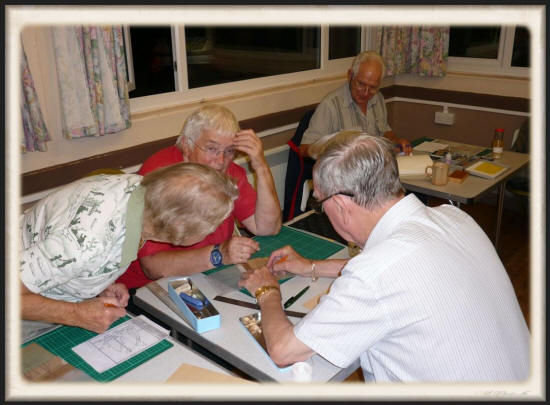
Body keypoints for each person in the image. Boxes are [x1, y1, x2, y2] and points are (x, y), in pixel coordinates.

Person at [239, 133, 530, 382]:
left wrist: (268, 291)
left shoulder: (374, 274)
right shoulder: (454, 217)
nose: (322, 210)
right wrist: (310, 266)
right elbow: (401, 273)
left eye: (320, 202)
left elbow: (283, 350)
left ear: (340, 204)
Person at [20, 163, 238, 333]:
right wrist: (77, 314)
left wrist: (100, 281)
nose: (212, 233)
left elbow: (81, 254)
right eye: (210, 228)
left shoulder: (142, 191)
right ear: (179, 226)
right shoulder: (86, 244)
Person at [116, 104, 281, 290]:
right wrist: (218, 255)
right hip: (142, 288)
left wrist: (260, 165)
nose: (220, 162)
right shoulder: (162, 178)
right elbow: (153, 267)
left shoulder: (227, 171)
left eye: (229, 151)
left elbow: (267, 227)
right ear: (187, 144)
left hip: (204, 272)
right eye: (211, 149)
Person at [299, 50, 411, 158]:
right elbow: (304, 149)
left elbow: (386, 132)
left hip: (374, 167)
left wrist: (397, 142)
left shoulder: (378, 98)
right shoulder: (330, 106)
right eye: (361, 84)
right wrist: (338, 149)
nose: (366, 93)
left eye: (373, 87)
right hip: (344, 172)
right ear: (350, 75)